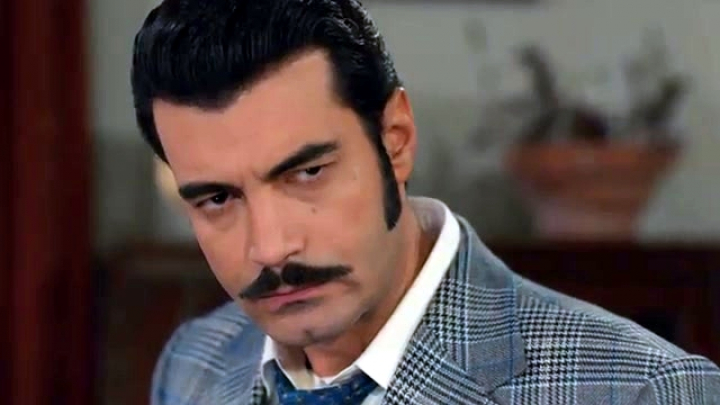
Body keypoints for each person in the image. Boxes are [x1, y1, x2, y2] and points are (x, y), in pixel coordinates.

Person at [130, 0, 720, 404]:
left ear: (396, 141)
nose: (270, 247)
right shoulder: (194, 364)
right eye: (217, 198)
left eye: (307, 173)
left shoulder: (641, 390)